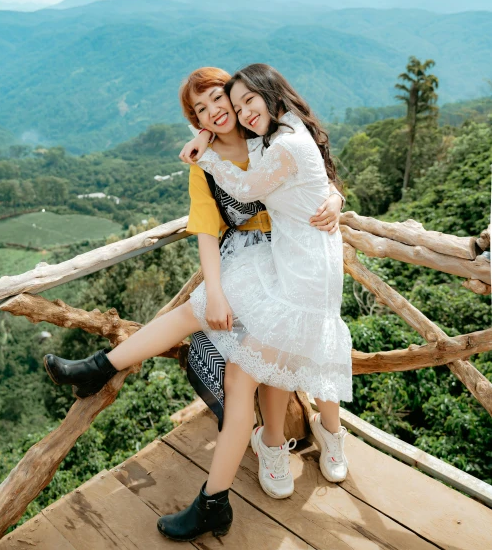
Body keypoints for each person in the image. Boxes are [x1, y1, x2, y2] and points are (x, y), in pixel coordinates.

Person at [42, 64, 349, 542]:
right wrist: (219, 290)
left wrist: (336, 197)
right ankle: (102, 368)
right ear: (196, 120)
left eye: (222, 101)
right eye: (201, 110)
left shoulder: (265, 136)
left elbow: (309, 170)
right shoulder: (232, 148)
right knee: (204, 313)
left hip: (292, 271)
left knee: (256, 368)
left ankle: (253, 468)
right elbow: (207, 231)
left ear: (244, 97)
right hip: (258, 264)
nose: (219, 112)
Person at [178, 67, 343, 506]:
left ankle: (315, 437)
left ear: (272, 96)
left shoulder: (283, 140)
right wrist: (207, 143)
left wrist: (203, 152)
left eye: (249, 102)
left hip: (308, 270)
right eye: (237, 106)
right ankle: (275, 443)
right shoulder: (277, 132)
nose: (241, 113)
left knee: (299, 353)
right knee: (286, 356)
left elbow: (251, 188)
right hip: (288, 264)